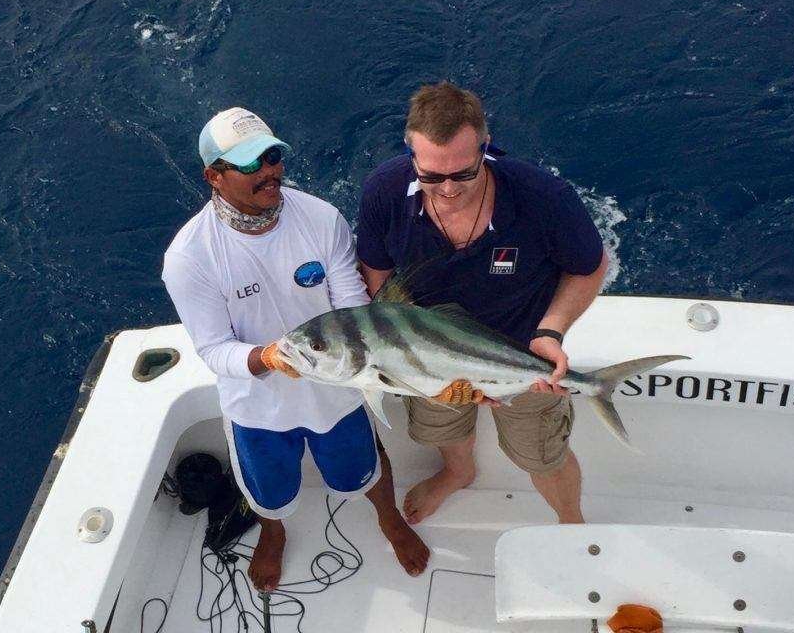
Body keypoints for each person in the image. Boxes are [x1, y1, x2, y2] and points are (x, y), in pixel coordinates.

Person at [162, 107, 430, 590]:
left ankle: (390, 520)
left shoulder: (320, 217)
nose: (268, 172)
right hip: (258, 407)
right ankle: (274, 532)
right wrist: (264, 358)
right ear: (214, 177)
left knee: (365, 467)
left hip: (338, 390)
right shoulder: (189, 257)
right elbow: (214, 349)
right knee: (269, 489)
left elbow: (352, 306)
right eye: (249, 164)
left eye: (271, 156)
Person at [356, 82, 609, 526]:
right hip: (426, 356)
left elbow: (589, 266)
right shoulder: (384, 191)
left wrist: (550, 332)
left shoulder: (542, 197)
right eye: (431, 176)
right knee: (439, 427)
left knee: (542, 455)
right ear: (410, 154)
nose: (448, 189)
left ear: (485, 149)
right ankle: (459, 471)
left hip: (520, 352)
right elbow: (376, 274)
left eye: (464, 174)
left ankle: (572, 520)